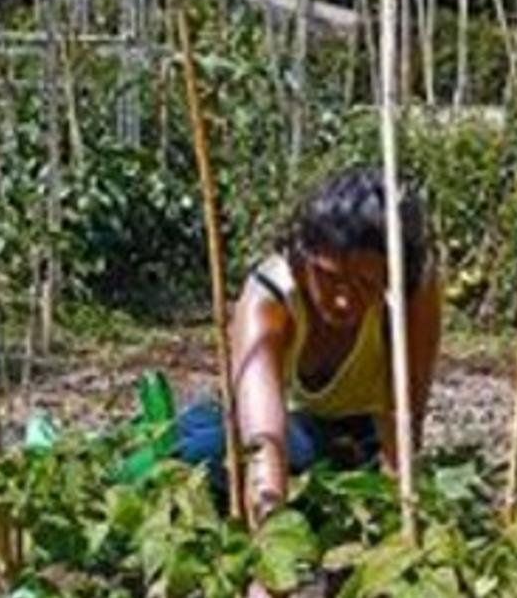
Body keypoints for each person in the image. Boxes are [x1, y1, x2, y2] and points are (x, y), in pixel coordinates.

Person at [175, 167, 442, 531]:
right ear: (302, 260)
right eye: (329, 277)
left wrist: (398, 523)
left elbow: (404, 421)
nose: (345, 300)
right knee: (194, 448)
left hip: (354, 437)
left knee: (314, 458)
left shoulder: (411, 292)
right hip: (280, 426)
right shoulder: (269, 298)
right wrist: (272, 540)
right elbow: (263, 445)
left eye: (365, 284)